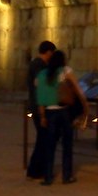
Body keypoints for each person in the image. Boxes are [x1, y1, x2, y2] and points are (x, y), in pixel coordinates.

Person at [35, 49, 89, 185]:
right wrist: (85, 105)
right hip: (64, 112)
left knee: (50, 145)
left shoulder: (42, 75)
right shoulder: (66, 71)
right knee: (67, 144)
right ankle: (67, 176)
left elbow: (40, 96)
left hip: (49, 112)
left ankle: (48, 177)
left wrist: (42, 116)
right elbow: (78, 89)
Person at [25, 40, 56, 180]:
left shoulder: (36, 64)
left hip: (38, 105)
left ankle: (38, 168)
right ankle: (35, 169)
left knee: (43, 138)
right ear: (48, 52)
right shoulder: (39, 65)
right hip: (40, 106)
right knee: (43, 138)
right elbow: (41, 84)